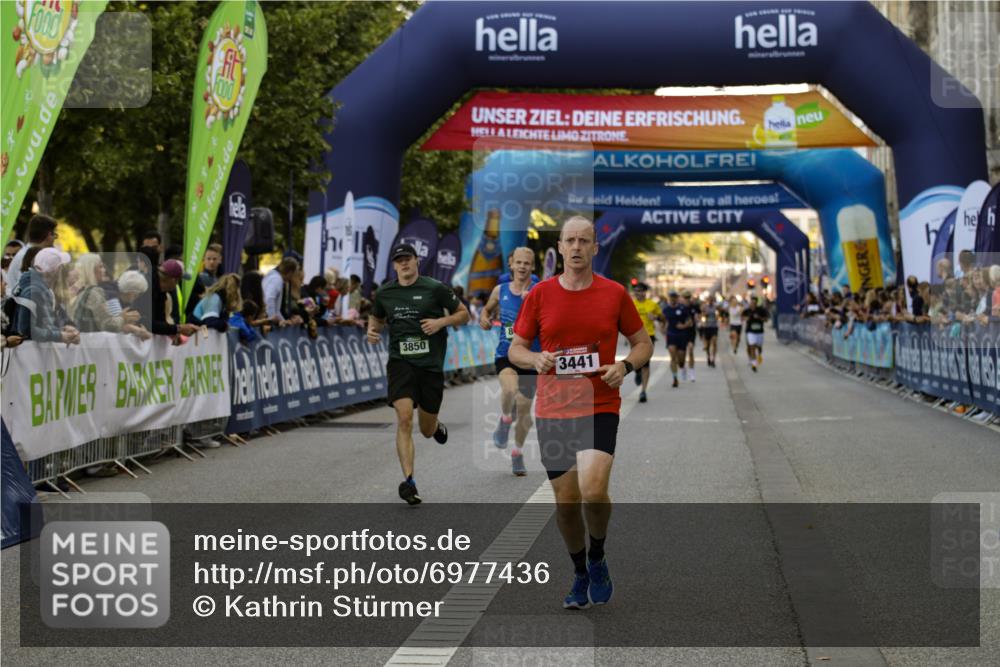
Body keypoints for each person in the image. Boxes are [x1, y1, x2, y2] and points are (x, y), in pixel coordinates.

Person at [509, 216, 651, 610]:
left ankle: (599, 554)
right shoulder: (539, 294)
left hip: (599, 403)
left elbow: (643, 343)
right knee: (567, 503)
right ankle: (579, 571)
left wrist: (624, 366)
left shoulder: (614, 293)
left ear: (594, 248)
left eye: (583, 241)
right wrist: (535, 357)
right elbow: (515, 348)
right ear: (561, 247)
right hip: (554, 407)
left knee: (593, 490)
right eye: (569, 240)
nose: (575, 247)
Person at [367, 243, 470, 505]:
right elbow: (376, 318)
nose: (404, 264)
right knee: (404, 419)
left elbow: (464, 314)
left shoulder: (434, 288)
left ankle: (436, 426)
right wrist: (372, 331)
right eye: (399, 260)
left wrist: (441, 322)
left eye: (408, 259)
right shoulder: (384, 293)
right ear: (394, 265)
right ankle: (409, 482)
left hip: (430, 366)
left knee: (425, 429)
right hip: (401, 363)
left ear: (416, 261)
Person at [478, 246, 538, 475]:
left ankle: (517, 453)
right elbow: (486, 311)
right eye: (519, 262)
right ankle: (504, 420)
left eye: (527, 263)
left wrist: (532, 301)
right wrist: (484, 319)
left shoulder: (540, 291)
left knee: (524, 409)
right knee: (510, 390)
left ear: (532, 267)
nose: (522, 267)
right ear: (511, 264)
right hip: (506, 353)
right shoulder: (499, 290)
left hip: (531, 357)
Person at [12, 248, 80, 344]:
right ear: (58, 269)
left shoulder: (38, 287)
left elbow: (45, 324)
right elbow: (26, 330)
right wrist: (60, 336)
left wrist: (64, 328)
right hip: (29, 355)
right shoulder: (35, 290)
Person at [69, 254, 144, 336]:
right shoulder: (94, 292)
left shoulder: (79, 291)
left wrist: (120, 318)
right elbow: (107, 325)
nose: (104, 270)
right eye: (100, 267)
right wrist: (123, 318)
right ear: (90, 270)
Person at [6, 214, 58, 297]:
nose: (55, 238)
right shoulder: (27, 257)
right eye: (54, 234)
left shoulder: (28, 254)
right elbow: (30, 293)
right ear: (48, 235)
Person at [629, 282, 662, 403]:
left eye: (641, 291)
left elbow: (662, 317)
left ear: (645, 292)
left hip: (649, 336)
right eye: (636, 291)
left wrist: (656, 318)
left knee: (646, 364)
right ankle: (637, 372)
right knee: (636, 362)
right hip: (634, 337)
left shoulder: (652, 304)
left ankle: (643, 391)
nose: (639, 293)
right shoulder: (631, 304)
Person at [151, 259, 199, 340]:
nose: (177, 284)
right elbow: (150, 324)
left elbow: (160, 320)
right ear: (173, 279)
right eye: (178, 280)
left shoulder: (161, 291)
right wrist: (179, 329)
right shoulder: (149, 287)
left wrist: (172, 331)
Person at [660, 290, 692, 388]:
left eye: (675, 297)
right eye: (671, 297)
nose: (673, 299)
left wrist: (683, 326)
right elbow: (662, 322)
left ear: (677, 298)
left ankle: (682, 367)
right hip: (671, 335)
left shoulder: (682, 308)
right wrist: (663, 329)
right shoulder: (666, 309)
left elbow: (690, 322)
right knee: (673, 357)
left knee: (681, 360)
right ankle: (675, 378)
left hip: (682, 336)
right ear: (669, 298)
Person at [262, 257, 301, 325]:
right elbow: (269, 299)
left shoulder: (274, 276)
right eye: (294, 274)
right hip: (267, 321)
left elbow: (276, 309)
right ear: (290, 272)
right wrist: (272, 319)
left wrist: (283, 321)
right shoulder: (276, 279)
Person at [743, 295, 769, 372]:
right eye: (751, 302)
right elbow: (743, 317)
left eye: (754, 302)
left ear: (756, 303)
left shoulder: (761, 310)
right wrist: (748, 318)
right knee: (752, 346)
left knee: (759, 347)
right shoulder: (747, 310)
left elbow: (766, 319)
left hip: (759, 332)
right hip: (750, 331)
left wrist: (759, 318)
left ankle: (759, 354)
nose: (752, 304)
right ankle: (754, 364)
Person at [682, 291, 700, 382]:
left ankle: (692, 372)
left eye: (688, 297)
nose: (687, 299)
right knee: (682, 353)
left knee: (691, 349)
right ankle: (683, 367)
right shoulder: (680, 307)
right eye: (685, 297)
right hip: (681, 332)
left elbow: (698, 315)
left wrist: (697, 318)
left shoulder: (694, 306)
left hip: (691, 331)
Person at [700, 296, 720, 368]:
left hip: (714, 327)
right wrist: (704, 315)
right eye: (709, 300)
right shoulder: (704, 307)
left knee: (714, 343)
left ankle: (713, 359)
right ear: (707, 300)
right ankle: (708, 357)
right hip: (707, 327)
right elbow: (702, 316)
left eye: (712, 300)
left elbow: (719, 316)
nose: (711, 301)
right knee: (708, 345)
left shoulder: (716, 307)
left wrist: (717, 315)